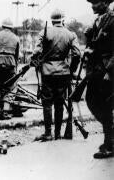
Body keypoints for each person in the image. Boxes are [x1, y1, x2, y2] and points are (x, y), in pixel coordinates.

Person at [31, 9, 81, 141]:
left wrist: (35, 61)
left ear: (52, 20)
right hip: (64, 73)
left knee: (47, 103)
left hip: (47, 72)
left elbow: (36, 52)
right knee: (60, 102)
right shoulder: (71, 34)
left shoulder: (44, 32)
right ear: (63, 20)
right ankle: (58, 134)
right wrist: (71, 69)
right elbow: (77, 54)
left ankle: (48, 133)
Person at [85, 0, 114, 159]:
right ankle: (111, 137)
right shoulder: (97, 22)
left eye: (95, 2)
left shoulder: (112, 20)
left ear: (106, 2)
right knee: (91, 101)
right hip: (96, 69)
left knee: (106, 106)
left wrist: (110, 71)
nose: (92, 6)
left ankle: (109, 144)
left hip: (108, 70)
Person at [0, 18, 20, 120]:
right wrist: (15, 69)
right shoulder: (16, 38)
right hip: (10, 64)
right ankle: (5, 111)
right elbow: (17, 56)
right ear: (11, 27)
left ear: (2, 26)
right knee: (11, 87)